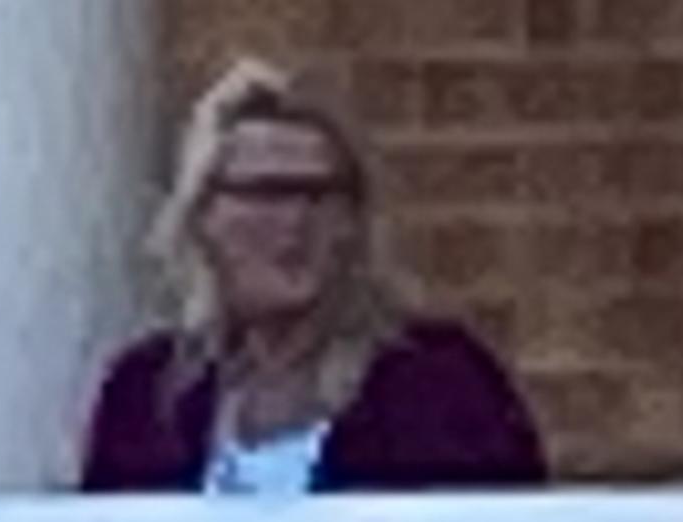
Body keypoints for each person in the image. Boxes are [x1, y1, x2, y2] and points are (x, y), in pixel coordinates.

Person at [81, 59, 546, 493]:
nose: (296, 222)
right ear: (205, 216)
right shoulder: (143, 398)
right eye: (266, 193)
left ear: (353, 222)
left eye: (321, 195)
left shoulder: (440, 385)